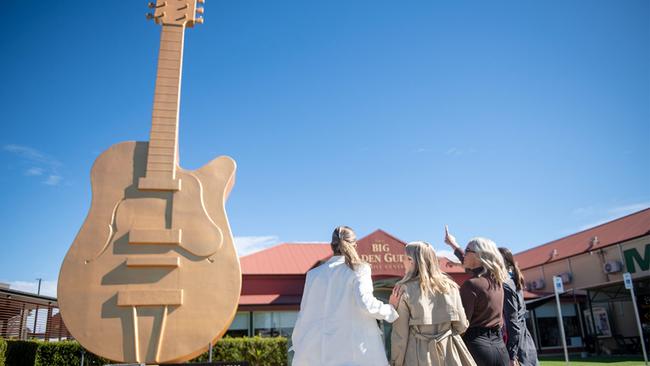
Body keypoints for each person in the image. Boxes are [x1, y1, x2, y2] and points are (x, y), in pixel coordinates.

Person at [291, 226, 400, 366]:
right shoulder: (360, 269)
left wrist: (299, 345)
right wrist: (391, 309)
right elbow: (366, 303)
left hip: (317, 353)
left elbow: (304, 313)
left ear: (332, 246)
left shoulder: (313, 275)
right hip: (355, 353)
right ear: (355, 245)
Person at [390, 241, 476, 366]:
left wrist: (395, 362)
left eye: (404, 258)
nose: (403, 261)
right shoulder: (450, 286)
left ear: (411, 260)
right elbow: (462, 325)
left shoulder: (402, 289)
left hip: (417, 356)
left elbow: (400, 335)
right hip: (449, 353)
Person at [444, 226, 510, 366]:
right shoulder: (497, 282)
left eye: (467, 251)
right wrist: (453, 245)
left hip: (476, 349)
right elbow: (469, 263)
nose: (465, 254)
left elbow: (461, 325)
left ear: (478, 256)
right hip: (500, 349)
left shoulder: (471, 285)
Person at [498, 247, 539, 366]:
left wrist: (512, 354)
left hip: (519, 347)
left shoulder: (506, 285)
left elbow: (513, 322)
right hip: (523, 343)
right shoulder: (512, 280)